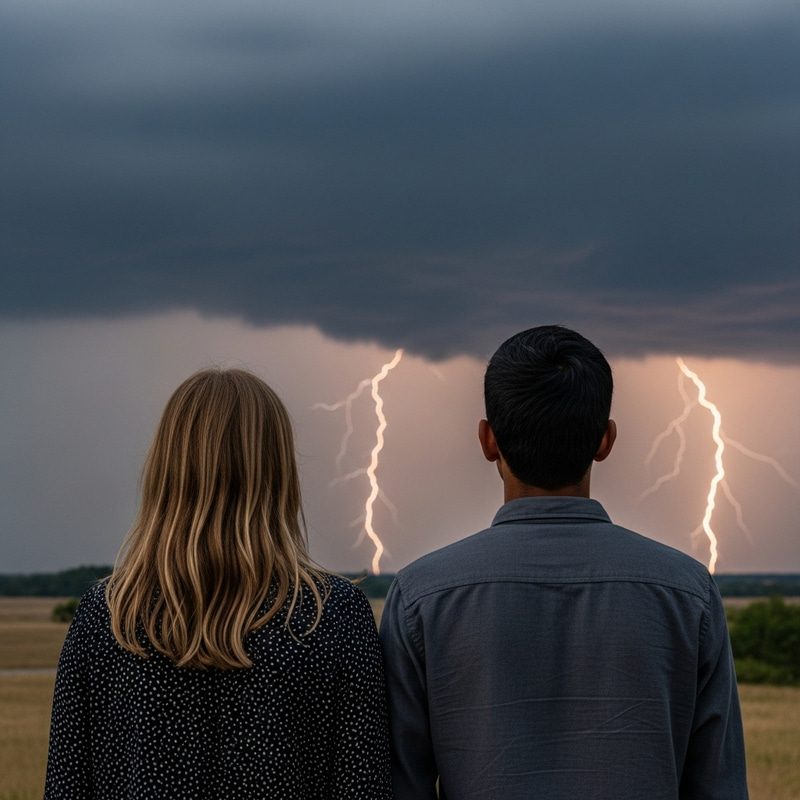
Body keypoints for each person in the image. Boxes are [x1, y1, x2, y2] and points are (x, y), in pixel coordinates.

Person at [379, 325, 748, 800]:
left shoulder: (420, 598)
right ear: (605, 440)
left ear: (487, 441)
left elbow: (398, 786)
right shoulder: (688, 594)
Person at [45, 368, 392, 799]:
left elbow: (66, 786)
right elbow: (365, 788)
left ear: (165, 470)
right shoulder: (334, 616)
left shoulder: (108, 616)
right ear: (279, 472)